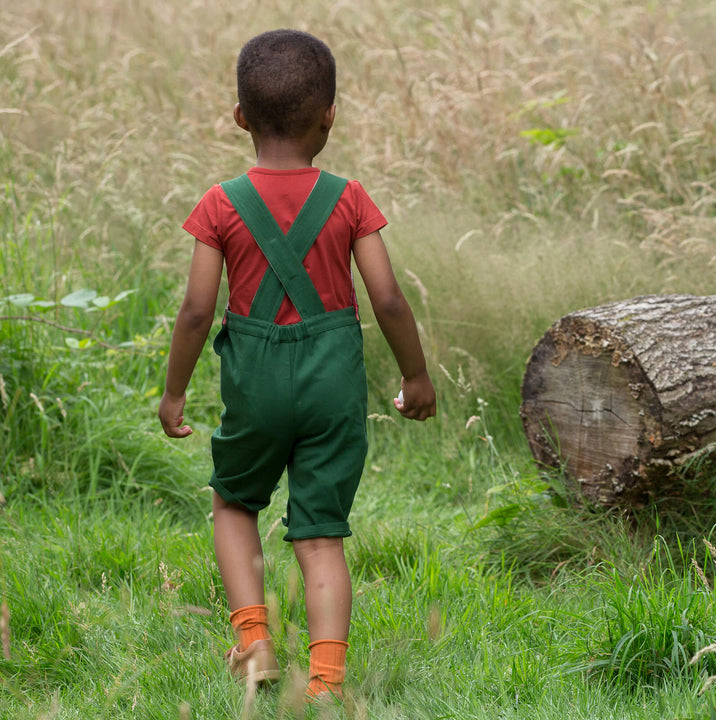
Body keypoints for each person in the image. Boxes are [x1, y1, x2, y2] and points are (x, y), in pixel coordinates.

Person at [158, 28, 436, 702]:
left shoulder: (221, 204)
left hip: (254, 383)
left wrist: (173, 393)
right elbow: (389, 297)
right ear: (329, 117)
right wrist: (416, 376)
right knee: (320, 537)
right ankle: (328, 682)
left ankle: (254, 643)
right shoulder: (349, 199)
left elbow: (197, 311)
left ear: (240, 118)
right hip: (331, 383)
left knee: (234, 500)